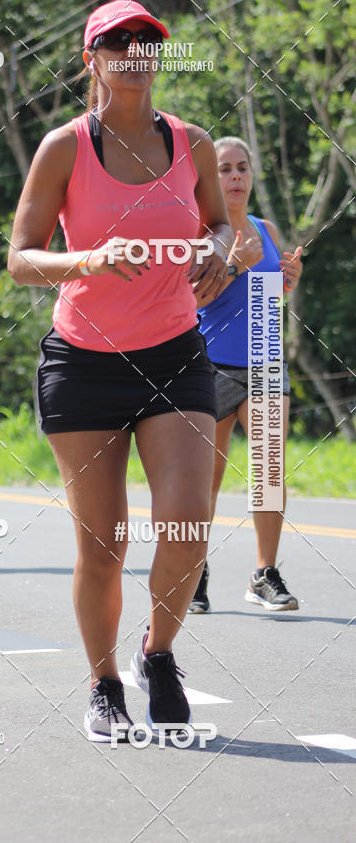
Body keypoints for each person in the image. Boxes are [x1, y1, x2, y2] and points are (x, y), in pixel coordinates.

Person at [8, 0, 232, 741]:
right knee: (103, 544)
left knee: (190, 525)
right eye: (117, 40)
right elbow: (20, 257)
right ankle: (104, 681)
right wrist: (89, 260)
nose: (135, 49)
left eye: (148, 39)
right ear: (91, 58)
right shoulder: (63, 148)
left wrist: (221, 248)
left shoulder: (192, 143)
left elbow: (222, 222)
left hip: (174, 353)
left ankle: (157, 654)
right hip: (84, 363)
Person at [190, 137, 303, 614]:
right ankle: (194, 571)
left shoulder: (266, 229)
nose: (234, 177)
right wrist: (237, 264)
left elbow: (270, 296)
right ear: (210, 180)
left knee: (269, 471)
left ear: (251, 175)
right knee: (205, 479)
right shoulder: (200, 235)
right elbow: (191, 301)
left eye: (241, 168)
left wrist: (286, 280)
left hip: (263, 360)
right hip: (211, 365)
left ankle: (264, 574)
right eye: (224, 169)